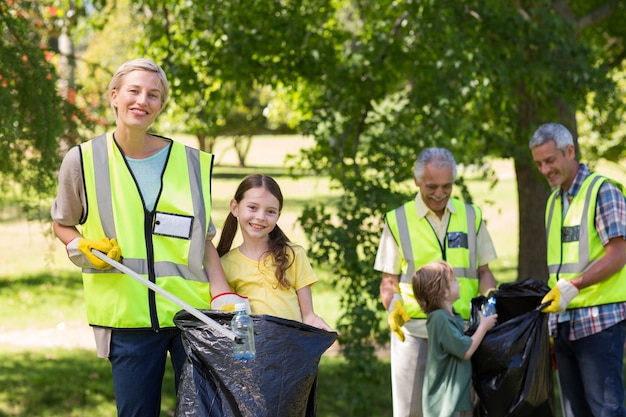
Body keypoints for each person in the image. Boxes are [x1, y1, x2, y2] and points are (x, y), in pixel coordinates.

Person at [50, 58, 232, 417]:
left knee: (205, 413)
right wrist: (80, 246)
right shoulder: (83, 160)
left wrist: (222, 292)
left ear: (160, 106)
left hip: (191, 316)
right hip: (127, 319)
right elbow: (62, 223)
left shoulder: (190, 162)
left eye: (153, 95)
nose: (142, 101)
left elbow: (203, 239)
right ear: (114, 96)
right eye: (134, 91)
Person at [374, 147, 498, 417]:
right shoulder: (398, 221)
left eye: (447, 186)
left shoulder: (471, 216)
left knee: (458, 410)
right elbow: (389, 280)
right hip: (414, 334)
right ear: (417, 180)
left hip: (462, 330)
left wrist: (490, 303)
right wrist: (392, 303)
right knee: (411, 412)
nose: (440, 194)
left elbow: (485, 272)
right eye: (432, 186)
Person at [530, 122, 626, 417]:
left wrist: (577, 285)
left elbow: (620, 253)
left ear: (569, 151)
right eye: (539, 164)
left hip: (600, 325)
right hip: (563, 326)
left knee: (606, 412)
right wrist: (549, 330)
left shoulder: (602, 192)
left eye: (550, 160)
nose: (545, 170)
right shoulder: (553, 202)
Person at [216, 174, 333, 331]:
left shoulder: (293, 255)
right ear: (235, 208)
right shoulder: (225, 264)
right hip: (256, 352)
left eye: (270, 211)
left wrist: (317, 323)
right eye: (253, 207)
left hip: (292, 350)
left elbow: (308, 316)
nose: (260, 217)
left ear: (278, 215)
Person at [412, 260, 497, 417]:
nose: (458, 283)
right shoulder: (440, 319)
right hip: (446, 403)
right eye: (454, 281)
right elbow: (466, 350)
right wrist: (483, 327)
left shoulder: (449, 316)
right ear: (444, 292)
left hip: (455, 398)